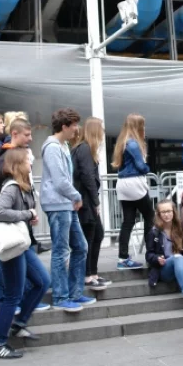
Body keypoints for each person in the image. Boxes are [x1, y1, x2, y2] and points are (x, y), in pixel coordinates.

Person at [0, 149, 50, 359]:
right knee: (13, 295)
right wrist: (27, 214)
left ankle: (20, 323)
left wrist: (29, 217)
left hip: (21, 244)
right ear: (18, 164)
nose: (30, 163)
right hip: (12, 245)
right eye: (27, 160)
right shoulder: (11, 188)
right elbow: (0, 212)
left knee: (42, 281)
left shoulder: (24, 187)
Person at [41, 108, 93, 313]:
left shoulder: (61, 145)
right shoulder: (53, 147)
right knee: (62, 250)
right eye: (74, 125)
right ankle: (61, 296)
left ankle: (74, 292)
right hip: (58, 203)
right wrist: (76, 195)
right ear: (64, 126)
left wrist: (72, 196)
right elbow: (60, 179)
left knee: (80, 247)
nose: (76, 129)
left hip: (64, 203)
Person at [111, 114, 155, 269]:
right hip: (135, 183)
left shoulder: (122, 142)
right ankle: (151, 253)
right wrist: (147, 168)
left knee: (128, 221)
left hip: (123, 183)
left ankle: (123, 257)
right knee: (150, 216)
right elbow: (141, 166)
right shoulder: (134, 144)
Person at [72, 117, 111, 291]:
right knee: (90, 237)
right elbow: (87, 176)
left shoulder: (83, 149)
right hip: (85, 201)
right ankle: (87, 274)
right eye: (101, 129)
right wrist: (96, 202)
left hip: (86, 200)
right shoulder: (85, 149)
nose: (103, 132)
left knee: (97, 235)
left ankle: (92, 273)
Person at [146, 200, 183, 308]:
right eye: (163, 212)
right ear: (158, 214)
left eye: (169, 211)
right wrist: (157, 258)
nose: (166, 214)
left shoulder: (179, 229)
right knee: (178, 257)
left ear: (173, 212)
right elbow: (149, 255)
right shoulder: (154, 232)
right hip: (165, 269)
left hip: (181, 266)